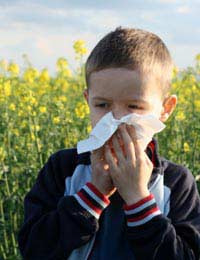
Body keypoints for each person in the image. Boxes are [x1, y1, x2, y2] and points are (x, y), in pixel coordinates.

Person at [18, 27, 200, 260]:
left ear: (165, 109)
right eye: (102, 105)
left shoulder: (176, 183)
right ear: (88, 101)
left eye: (134, 107)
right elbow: (33, 250)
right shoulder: (62, 168)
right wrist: (93, 193)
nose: (115, 121)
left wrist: (139, 199)